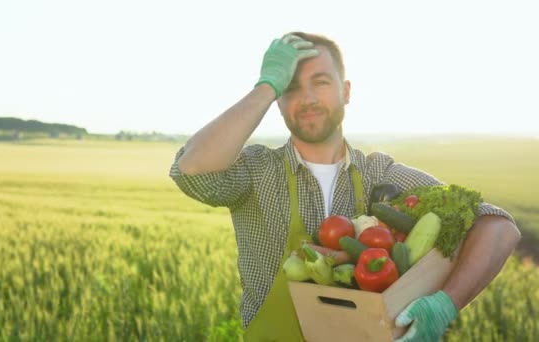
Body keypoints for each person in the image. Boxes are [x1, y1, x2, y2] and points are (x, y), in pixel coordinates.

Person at [170, 32, 521, 342]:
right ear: (277, 101)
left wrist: (445, 305)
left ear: (347, 91)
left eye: (320, 82)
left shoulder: (379, 173)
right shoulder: (256, 171)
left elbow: (498, 228)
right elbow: (192, 169)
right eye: (290, 87)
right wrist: (266, 85)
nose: (306, 98)